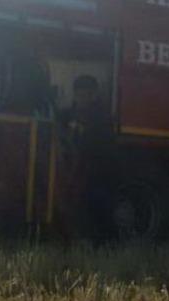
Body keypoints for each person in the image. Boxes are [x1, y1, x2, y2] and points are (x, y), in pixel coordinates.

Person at [58, 75, 117, 241]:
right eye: (80, 94)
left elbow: (103, 146)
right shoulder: (66, 115)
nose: (83, 98)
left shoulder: (102, 119)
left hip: (96, 173)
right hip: (73, 173)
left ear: (94, 95)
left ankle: (99, 243)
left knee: (97, 210)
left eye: (87, 94)